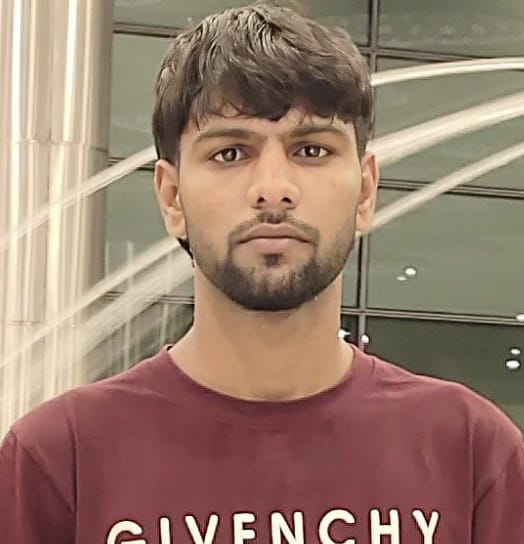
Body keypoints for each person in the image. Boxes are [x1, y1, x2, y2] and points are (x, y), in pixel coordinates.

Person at [1, 1, 523, 542]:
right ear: (172, 196)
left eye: (311, 149)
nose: (273, 189)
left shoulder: (472, 455)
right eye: (230, 153)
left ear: (366, 191)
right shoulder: (59, 462)